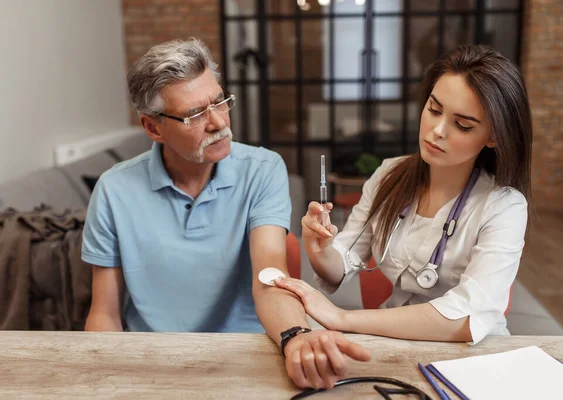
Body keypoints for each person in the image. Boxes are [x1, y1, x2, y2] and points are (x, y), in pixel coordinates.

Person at [82, 38, 370, 389]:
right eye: (194, 114)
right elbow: (105, 313)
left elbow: (270, 271)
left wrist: (296, 333)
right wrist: (101, 381)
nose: (218, 122)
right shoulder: (113, 190)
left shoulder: (263, 170)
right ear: (153, 128)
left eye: (219, 101)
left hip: (248, 351)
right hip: (151, 357)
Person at [276, 45, 532, 345]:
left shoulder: (504, 206)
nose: (437, 130)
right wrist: (320, 250)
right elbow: (344, 260)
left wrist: (343, 318)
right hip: (393, 342)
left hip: (471, 354)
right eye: (434, 109)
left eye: (462, 125)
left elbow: (467, 317)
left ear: (493, 136)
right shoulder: (389, 175)